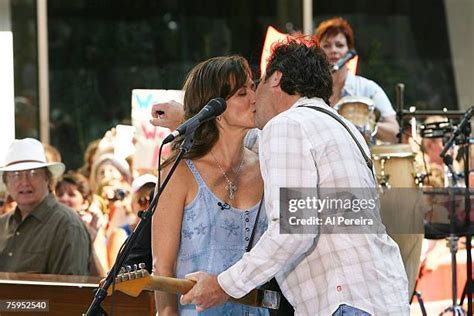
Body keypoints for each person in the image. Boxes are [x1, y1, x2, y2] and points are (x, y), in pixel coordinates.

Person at [176, 37, 409, 315]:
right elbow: (243, 139)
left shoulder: (287, 125)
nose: (253, 99)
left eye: (256, 85)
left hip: (344, 303)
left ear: (276, 79)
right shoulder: (343, 128)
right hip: (382, 297)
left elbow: (294, 231)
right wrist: (190, 118)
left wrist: (224, 285)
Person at [152, 56, 269, 315]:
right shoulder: (178, 170)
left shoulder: (267, 168)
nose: (254, 97)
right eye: (242, 93)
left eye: (252, 87)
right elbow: (162, 268)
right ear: (215, 111)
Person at [0, 138, 90, 275]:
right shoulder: (2, 224)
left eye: (33, 173)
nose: (24, 182)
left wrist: (12, 298)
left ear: (47, 178)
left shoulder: (67, 224)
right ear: (6, 182)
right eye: (15, 175)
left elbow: (69, 292)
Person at [314, 17, 400, 143]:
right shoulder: (310, 90)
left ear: (349, 51)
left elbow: (395, 133)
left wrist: (365, 125)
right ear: (318, 52)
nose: (333, 50)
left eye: (340, 45)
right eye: (327, 45)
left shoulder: (368, 88)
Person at [55, 171, 109, 276]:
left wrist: (90, 243)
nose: (64, 199)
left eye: (71, 195)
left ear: (85, 203)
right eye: (60, 194)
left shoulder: (92, 231)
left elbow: (102, 277)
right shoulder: (50, 226)